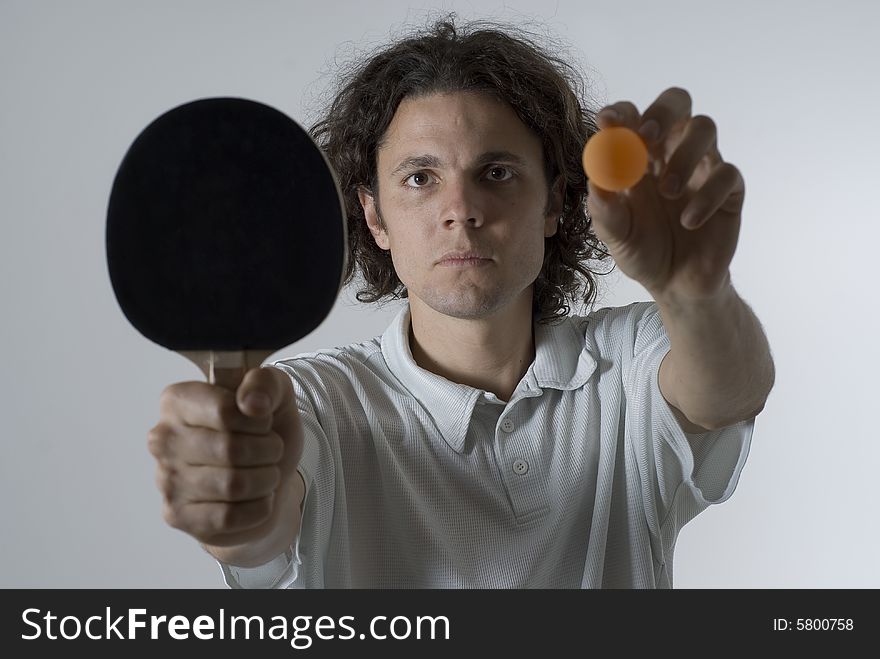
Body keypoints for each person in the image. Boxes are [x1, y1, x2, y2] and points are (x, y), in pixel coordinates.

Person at [147, 17, 774, 588]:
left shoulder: (629, 359)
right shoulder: (314, 400)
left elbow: (728, 391)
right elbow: (263, 527)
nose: (461, 211)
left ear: (556, 202)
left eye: (495, 172)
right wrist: (236, 508)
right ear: (374, 217)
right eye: (420, 178)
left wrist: (695, 289)